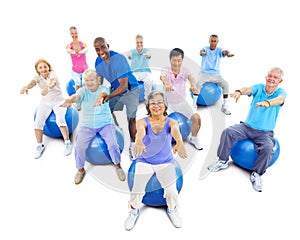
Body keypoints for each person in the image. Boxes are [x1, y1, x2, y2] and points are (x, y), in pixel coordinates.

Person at [207, 67, 287, 192]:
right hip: (247, 127)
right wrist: (239, 91)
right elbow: (248, 89)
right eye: (270, 76)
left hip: (265, 133)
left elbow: (280, 100)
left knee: (267, 148)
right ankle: (222, 161)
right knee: (227, 132)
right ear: (266, 78)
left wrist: (268, 103)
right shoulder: (259, 88)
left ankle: (257, 174)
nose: (272, 79)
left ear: (280, 81)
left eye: (275, 77)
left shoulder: (281, 92)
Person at [124, 90, 187, 230]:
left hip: (165, 162)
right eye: (153, 103)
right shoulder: (143, 121)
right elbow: (140, 131)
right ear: (148, 106)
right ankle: (133, 212)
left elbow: (175, 130)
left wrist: (179, 142)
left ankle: (172, 210)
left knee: (171, 191)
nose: (156, 105)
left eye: (159, 102)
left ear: (165, 105)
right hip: (144, 161)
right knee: (137, 188)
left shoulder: (171, 121)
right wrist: (138, 141)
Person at [60, 69, 126, 184]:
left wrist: (100, 99)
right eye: (86, 80)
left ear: (97, 80)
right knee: (79, 147)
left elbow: (103, 94)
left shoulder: (103, 89)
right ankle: (80, 170)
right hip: (88, 125)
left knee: (113, 144)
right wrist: (70, 99)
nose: (89, 83)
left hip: (105, 123)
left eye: (92, 80)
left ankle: (118, 167)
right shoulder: (83, 90)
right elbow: (76, 96)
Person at [93, 37, 139, 161]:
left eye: (103, 47)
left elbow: (123, 86)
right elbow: (99, 80)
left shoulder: (119, 59)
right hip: (116, 89)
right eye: (97, 49)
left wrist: (108, 96)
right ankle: (118, 129)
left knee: (131, 119)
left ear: (108, 45)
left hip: (131, 89)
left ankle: (133, 145)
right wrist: (97, 92)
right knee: (106, 109)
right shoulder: (98, 62)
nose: (101, 51)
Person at [20, 58, 73, 159]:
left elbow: (52, 82)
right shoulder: (37, 76)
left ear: (49, 67)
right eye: (40, 67)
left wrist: (47, 88)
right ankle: (39, 146)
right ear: (37, 70)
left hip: (58, 101)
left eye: (45, 66)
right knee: (38, 122)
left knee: (60, 119)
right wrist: (27, 86)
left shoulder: (53, 74)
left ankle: (67, 142)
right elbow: (32, 82)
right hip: (45, 102)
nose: (43, 69)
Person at [160, 48, 203, 150]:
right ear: (170, 60)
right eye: (174, 60)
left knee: (197, 118)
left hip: (181, 103)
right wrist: (166, 84)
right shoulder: (166, 70)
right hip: (167, 104)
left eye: (179, 60)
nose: (176, 63)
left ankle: (193, 138)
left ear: (182, 61)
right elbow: (163, 77)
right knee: (158, 127)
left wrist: (193, 85)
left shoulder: (185, 71)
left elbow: (191, 77)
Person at [196, 34, 234, 115]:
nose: (213, 43)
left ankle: (225, 106)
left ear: (217, 42)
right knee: (198, 83)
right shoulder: (205, 49)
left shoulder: (219, 50)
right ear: (209, 41)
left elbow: (224, 52)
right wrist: (202, 52)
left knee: (226, 84)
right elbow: (201, 51)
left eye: (215, 41)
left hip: (216, 74)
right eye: (211, 41)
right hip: (205, 73)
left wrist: (227, 53)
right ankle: (194, 104)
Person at [66, 26, 88, 110]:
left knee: (85, 85)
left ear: (78, 33)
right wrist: (74, 52)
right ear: (70, 34)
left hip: (85, 69)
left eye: (75, 33)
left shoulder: (83, 44)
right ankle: (78, 103)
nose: (74, 35)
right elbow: (69, 51)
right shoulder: (69, 45)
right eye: (72, 33)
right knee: (78, 85)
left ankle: (87, 101)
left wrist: (80, 52)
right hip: (75, 71)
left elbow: (85, 50)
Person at [125, 34, 152, 101]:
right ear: (135, 43)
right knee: (130, 82)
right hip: (135, 72)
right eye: (137, 42)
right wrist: (129, 54)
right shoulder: (133, 51)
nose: (139, 44)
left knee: (149, 82)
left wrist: (147, 54)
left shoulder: (146, 51)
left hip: (145, 72)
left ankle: (147, 99)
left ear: (143, 42)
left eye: (141, 42)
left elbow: (149, 54)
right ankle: (132, 98)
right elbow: (129, 54)